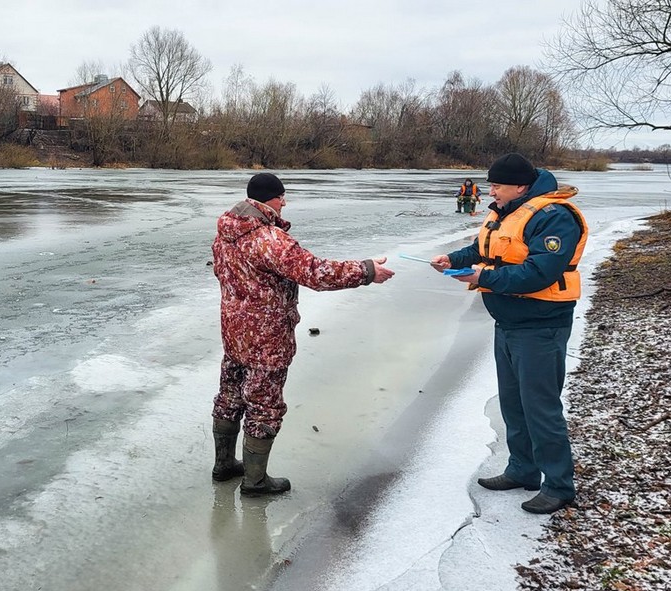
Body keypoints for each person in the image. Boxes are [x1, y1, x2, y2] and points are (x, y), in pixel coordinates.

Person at [210, 172, 395, 497]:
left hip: (234, 331)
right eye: (283, 197)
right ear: (272, 198)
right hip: (266, 335)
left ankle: (223, 464)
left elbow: (220, 270)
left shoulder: (225, 233)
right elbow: (315, 272)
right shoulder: (267, 238)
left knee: (230, 394)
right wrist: (367, 271)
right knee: (264, 404)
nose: (285, 203)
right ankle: (255, 481)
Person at [430, 153, 588, 514]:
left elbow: (538, 273)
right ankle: (523, 469)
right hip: (509, 323)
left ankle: (560, 485)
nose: (491, 191)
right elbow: (483, 249)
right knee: (513, 403)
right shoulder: (504, 212)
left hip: (541, 324)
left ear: (521, 186)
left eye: (497, 185)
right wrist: (453, 259)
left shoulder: (554, 217)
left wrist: (482, 278)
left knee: (541, 407)